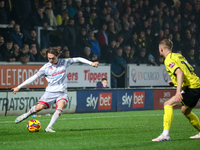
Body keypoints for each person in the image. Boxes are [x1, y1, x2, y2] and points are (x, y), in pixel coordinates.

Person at [12, 47, 99, 132]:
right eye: (49, 58)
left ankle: (49, 127)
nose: (50, 60)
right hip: (50, 92)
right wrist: (19, 87)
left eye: (52, 58)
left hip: (62, 92)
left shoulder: (64, 62)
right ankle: (25, 115)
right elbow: (33, 78)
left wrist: (91, 63)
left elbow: (79, 59)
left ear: (57, 56)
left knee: (60, 107)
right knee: (39, 107)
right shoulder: (45, 68)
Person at [152, 39, 200, 141]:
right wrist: (175, 83)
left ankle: (165, 134)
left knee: (168, 104)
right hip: (196, 84)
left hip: (192, 87)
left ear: (161, 49)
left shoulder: (168, 59)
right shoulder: (178, 56)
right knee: (185, 111)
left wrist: (178, 92)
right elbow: (186, 72)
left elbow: (180, 73)